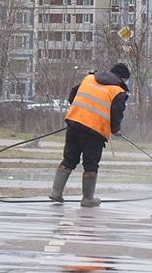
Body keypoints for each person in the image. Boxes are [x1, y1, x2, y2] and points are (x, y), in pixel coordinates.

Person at [49, 63, 130, 207]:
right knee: (91, 164)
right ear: (122, 79)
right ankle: (88, 199)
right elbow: (116, 113)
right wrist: (115, 129)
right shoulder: (118, 91)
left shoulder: (89, 78)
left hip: (74, 123)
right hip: (94, 131)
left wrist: (80, 113)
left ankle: (56, 192)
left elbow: (73, 95)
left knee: (69, 158)